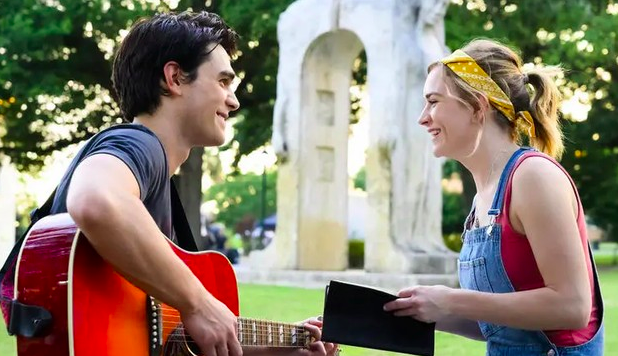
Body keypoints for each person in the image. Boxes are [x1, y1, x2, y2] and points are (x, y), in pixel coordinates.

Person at [48, 10, 336, 356]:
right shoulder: (140, 145)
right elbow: (95, 199)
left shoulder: (151, 181)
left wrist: (287, 349)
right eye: (223, 82)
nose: (234, 100)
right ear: (175, 78)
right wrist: (198, 302)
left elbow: (173, 343)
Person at [384, 39, 603, 355]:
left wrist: (451, 299)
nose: (423, 117)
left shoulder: (533, 177)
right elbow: (500, 323)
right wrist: (420, 309)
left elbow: (572, 306)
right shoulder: (482, 199)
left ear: (477, 106)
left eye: (433, 101)